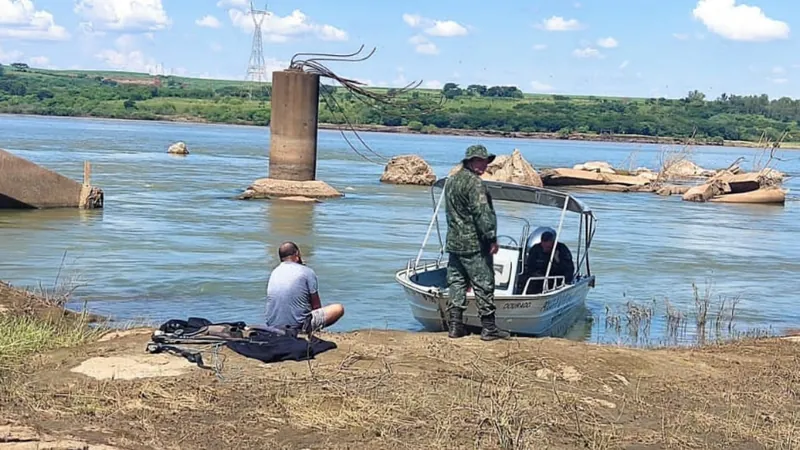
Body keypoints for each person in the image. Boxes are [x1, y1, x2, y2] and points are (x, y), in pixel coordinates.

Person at [444, 144, 510, 341]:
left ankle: (455, 326)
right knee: (484, 283)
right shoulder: (475, 184)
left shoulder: (451, 181)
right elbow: (482, 213)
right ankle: (489, 328)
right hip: (474, 243)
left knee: (457, 282)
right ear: (469, 162)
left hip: (454, 241)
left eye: (484, 161)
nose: (482, 165)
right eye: (478, 161)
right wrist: (491, 238)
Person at [263, 241, 344, 334]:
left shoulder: (274, 272)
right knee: (338, 308)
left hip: (273, 325)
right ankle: (310, 330)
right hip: (298, 326)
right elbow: (316, 305)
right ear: (297, 254)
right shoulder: (307, 271)